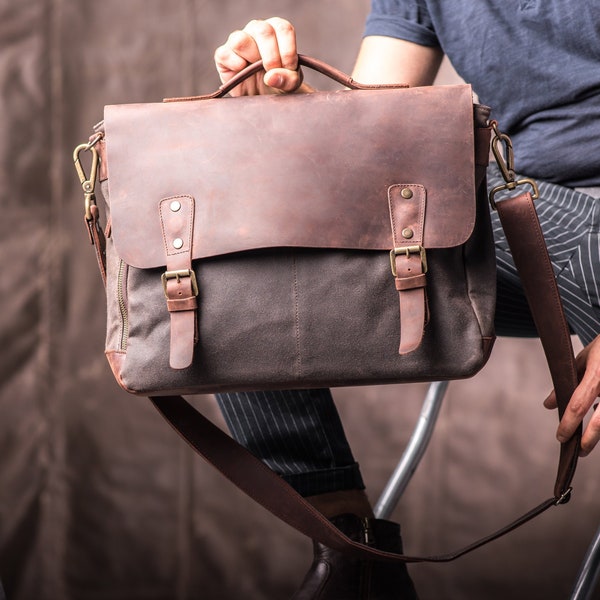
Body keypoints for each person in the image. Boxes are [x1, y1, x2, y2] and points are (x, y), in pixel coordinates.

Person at [212, 3, 600, 598]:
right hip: (507, 226)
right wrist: (281, 106)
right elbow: (373, 138)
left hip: (578, 227)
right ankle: (351, 553)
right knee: (243, 264)